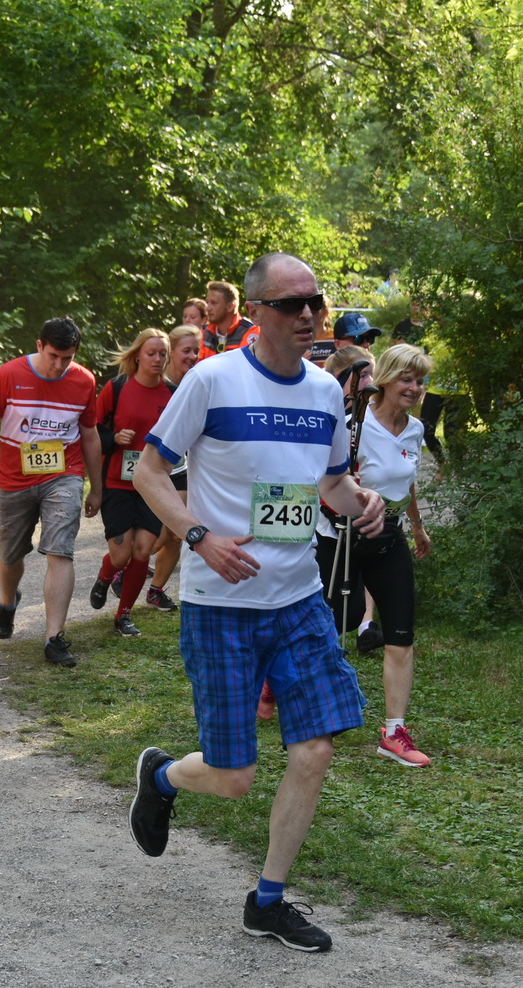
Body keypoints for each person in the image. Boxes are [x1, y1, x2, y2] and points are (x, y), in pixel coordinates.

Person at [128, 252, 386, 952]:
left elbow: (330, 486)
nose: (309, 315)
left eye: (316, 303)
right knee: (234, 776)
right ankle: (161, 775)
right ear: (257, 312)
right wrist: (199, 536)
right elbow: (148, 471)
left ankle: (267, 901)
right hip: (221, 602)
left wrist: (364, 502)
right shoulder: (213, 379)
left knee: (315, 749)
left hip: (298, 598)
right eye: (291, 304)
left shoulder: (326, 392)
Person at [317, 343, 434, 768]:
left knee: (401, 635)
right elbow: (325, 480)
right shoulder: (354, 427)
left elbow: (408, 480)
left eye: (420, 380)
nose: (414, 388)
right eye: (406, 378)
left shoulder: (415, 429)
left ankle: (393, 733)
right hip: (342, 537)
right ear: (384, 379)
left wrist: (417, 525)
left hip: (389, 537)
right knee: (336, 624)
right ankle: (285, 688)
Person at [0, 317, 102, 667]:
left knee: (60, 551)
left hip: (64, 475)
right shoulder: (9, 374)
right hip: (14, 479)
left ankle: (54, 637)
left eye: (68, 358)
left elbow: (90, 435)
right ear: (39, 346)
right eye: (53, 356)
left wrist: (97, 488)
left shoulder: (84, 381)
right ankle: (7, 602)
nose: (59, 365)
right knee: (9, 555)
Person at [88, 329, 172, 636]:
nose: (157, 359)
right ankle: (105, 575)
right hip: (118, 482)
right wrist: (114, 438)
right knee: (121, 555)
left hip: (153, 484)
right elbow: (92, 431)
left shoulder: (172, 393)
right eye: (151, 354)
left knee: (142, 550)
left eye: (163, 354)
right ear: (137, 356)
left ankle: (123, 615)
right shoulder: (117, 388)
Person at [143, 324, 201, 612]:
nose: (192, 356)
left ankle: (155, 590)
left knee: (176, 532)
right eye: (186, 350)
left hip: (181, 468)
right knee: (153, 537)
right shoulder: (157, 385)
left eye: (196, 351)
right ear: (171, 353)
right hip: (149, 468)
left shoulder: (195, 384)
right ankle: (128, 565)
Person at [198, 280, 258, 360]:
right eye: (207, 302)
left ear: (230, 306)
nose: (208, 308)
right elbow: (199, 364)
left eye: (213, 303)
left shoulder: (250, 331)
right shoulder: (205, 332)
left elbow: (242, 364)